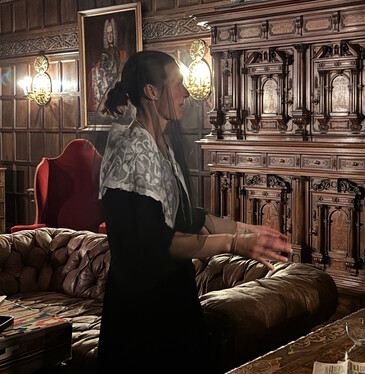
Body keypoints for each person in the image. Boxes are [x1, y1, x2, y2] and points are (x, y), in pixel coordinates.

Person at [96, 50, 292, 372]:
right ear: (151, 91)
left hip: (173, 296)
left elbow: (189, 217)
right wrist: (234, 244)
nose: (186, 93)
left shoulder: (160, 146)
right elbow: (160, 241)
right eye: (178, 84)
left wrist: (249, 230)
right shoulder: (132, 150)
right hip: (143, 311)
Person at [88, 18, 127, 112]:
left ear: (115, 34)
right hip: (107, 86)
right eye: (108, 33)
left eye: (111, 33)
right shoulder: (104, 55)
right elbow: (101, 73)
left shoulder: (120, 53)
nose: (110, 36)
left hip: (117, 85)